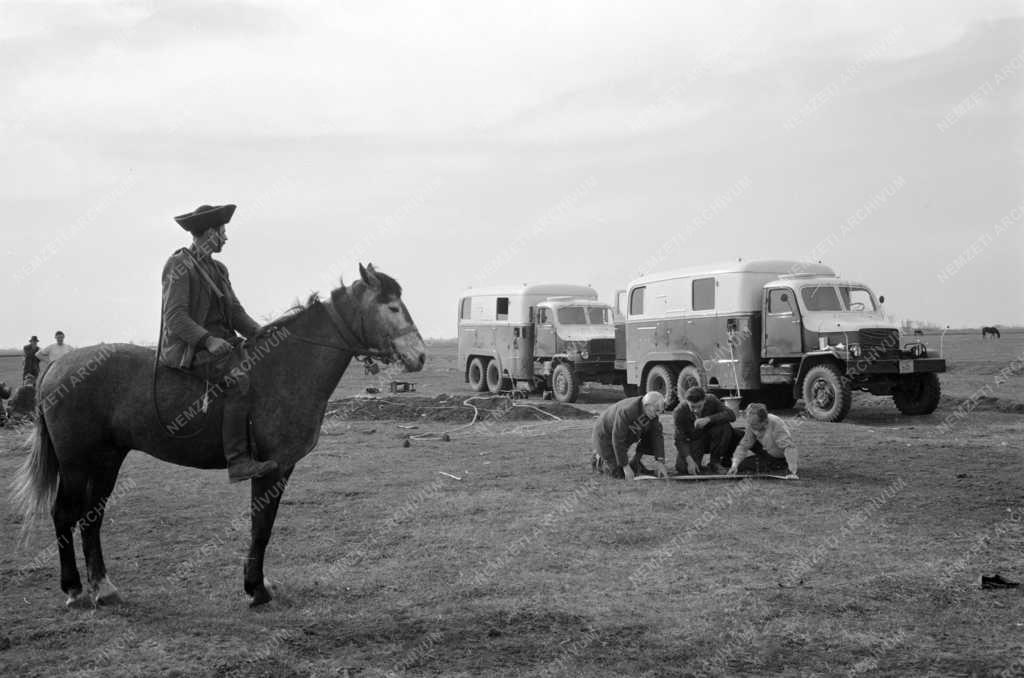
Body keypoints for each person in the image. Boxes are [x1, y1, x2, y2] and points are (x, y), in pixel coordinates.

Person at [160, 203, 277, 482]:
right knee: (240, 381)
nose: (225, 237)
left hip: (223, 345)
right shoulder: (179, 264)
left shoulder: (219, 269)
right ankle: (238, 461)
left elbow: (235, 312)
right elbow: (175, 316)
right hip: (193, 349)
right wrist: (208, 340)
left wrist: (260, 334)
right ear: (208, 233)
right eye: (221, 231)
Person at [591, 391, 668, 479]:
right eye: (656, 411)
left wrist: (660, 461)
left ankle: (636, 461)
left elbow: (657, 435)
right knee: (619, 474)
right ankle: (599, 460)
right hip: (605, 436)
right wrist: (625, 466)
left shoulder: (651, 412)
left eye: (660, 412)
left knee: (651, 431)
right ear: (647, 406)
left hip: (627, 432)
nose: (657, 414)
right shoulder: (627, 411)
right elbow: (618, 439)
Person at [673, 386, 738, 475]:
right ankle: (698, 464)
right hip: (695, 441)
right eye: (692, 407)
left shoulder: (711, 399)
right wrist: (689, 461)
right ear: (687, 402)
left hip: (714, 439)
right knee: (682, 468)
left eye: (699, 406)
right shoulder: (679, 412)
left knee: (724, 425)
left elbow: (731, 415)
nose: (696, 410)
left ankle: (715, 462)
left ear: (705, 400)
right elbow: (680, 439)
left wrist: (709, 419)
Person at [727, 403, 799, 479]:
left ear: (764, 421)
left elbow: (789, 447)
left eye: (754, 424)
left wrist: (792, 471)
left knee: (752, 466)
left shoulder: (776, 424)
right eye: (749, 423)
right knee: (741, 465)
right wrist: (735, 464)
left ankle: (781, 465)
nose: (751, 427)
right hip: (766, 450)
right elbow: (743, 446)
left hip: (778, 456)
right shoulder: (751, 424)